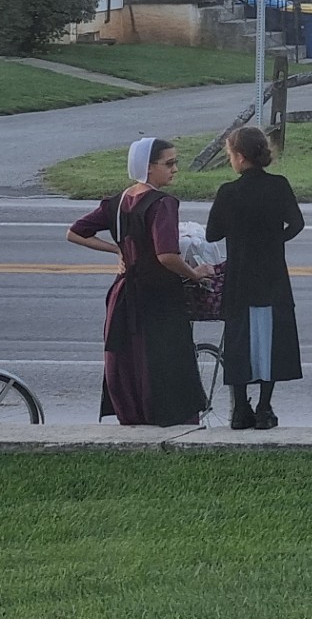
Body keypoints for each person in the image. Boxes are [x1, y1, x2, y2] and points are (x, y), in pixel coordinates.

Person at [66, 137, 213, 426]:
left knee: (129, 361)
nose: (175, 169)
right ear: (148, 167)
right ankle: (169, 421)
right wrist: (196, 273)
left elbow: (75, 232)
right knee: (162, 363)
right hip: (158, 296)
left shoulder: (119, 201)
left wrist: (117, 249)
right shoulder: (163, 204)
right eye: (169, 163)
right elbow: (167, 255)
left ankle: (133, 418)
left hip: (123, 294)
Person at [204, 126, 305, 429]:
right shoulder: (279, 185)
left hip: (240, 276)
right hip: (272, 274)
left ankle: (240, 408)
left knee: (240, 341)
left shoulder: (228, 192)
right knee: (271, 340)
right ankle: (264, 407)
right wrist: (274, 239)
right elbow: (297, 223)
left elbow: (212, 234)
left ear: (239, 157)